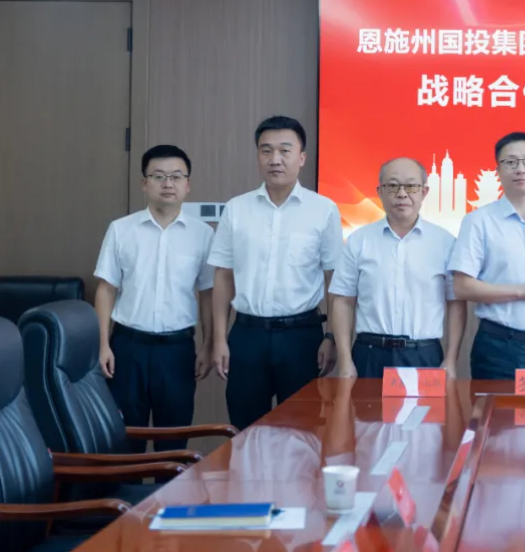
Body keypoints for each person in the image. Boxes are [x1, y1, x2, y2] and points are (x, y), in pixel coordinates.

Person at [209, 116, 343, 430]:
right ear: (258, 155)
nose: (275, 159)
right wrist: (219, 339)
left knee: (302, 432)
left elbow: (334, 281)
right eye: (266, 150)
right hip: (247, 335)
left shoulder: (323, 210)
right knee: (244, 429)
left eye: (285, 150)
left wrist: (332, 337)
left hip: (302, 337)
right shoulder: (237, 209)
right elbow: (223, 276)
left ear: (301, 157)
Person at [93, 145, 214, 452]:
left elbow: (207, 293)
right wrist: (102, 344)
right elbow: (106, 289)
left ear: (187, 184)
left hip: (177, 352)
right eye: (159, 176)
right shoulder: (121, 230)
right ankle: (126, 487)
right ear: (144, 183)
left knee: (173, 441)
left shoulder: (203, 235)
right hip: (127, 349)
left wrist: (208, 344)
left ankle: (168, 487)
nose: (168, 183)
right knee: (124, 439)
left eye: (176, 176)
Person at [331, 157, 466, 379]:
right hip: (370, 354)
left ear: (424, 192)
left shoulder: (445, 243)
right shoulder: (359, 241)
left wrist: (451, 359)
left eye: (411, 186)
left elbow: (456, 304)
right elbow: (343, 302)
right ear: (380, 192)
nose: (402, 194)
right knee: (365, 405)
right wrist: (345, 360)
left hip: (423, 355)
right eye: (393, 186)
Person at [450, 132, 525, 379]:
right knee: (493, 407)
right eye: (511, 162)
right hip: (498, 347)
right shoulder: (478, 221)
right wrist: (522, 290)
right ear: (498, 171)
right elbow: (461, 287)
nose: (521, 169)